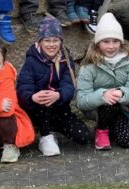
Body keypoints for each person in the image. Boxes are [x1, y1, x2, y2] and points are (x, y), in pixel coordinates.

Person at [17, 16, 92, 156]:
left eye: (55, 40)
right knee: (44, 99)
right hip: (37, 110)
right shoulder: (31, 61)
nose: (51, 44)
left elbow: (69, 85)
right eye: (47, 40)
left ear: (60, 41)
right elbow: (23, 87)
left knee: (83, 137)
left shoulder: (65, 59)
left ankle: (52, 128)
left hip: (59, 108)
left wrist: (59, 94)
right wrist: (32, 97)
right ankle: (45, 136)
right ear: (40, 41)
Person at [76, 12, 129, 150]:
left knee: (126, 141)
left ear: (121, 42)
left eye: (115, 41)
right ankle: (101, 130)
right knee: (108, 103)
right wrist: (102, 96)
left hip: (120, 107)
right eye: (106, 42)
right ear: (98, 43)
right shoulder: (88, 66)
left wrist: (122, 93)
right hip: (97, 109)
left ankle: (112, 127)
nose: (111, 46)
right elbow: (81, 101)